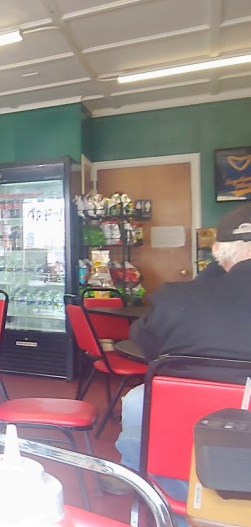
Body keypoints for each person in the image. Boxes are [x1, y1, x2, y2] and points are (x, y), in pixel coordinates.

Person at [109, 202, 251, 506]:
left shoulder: (177, 298)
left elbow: (146, 346)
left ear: (218, 251)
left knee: (138, 400)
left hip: (180, 460)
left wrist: (211, 276)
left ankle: (139, 478)